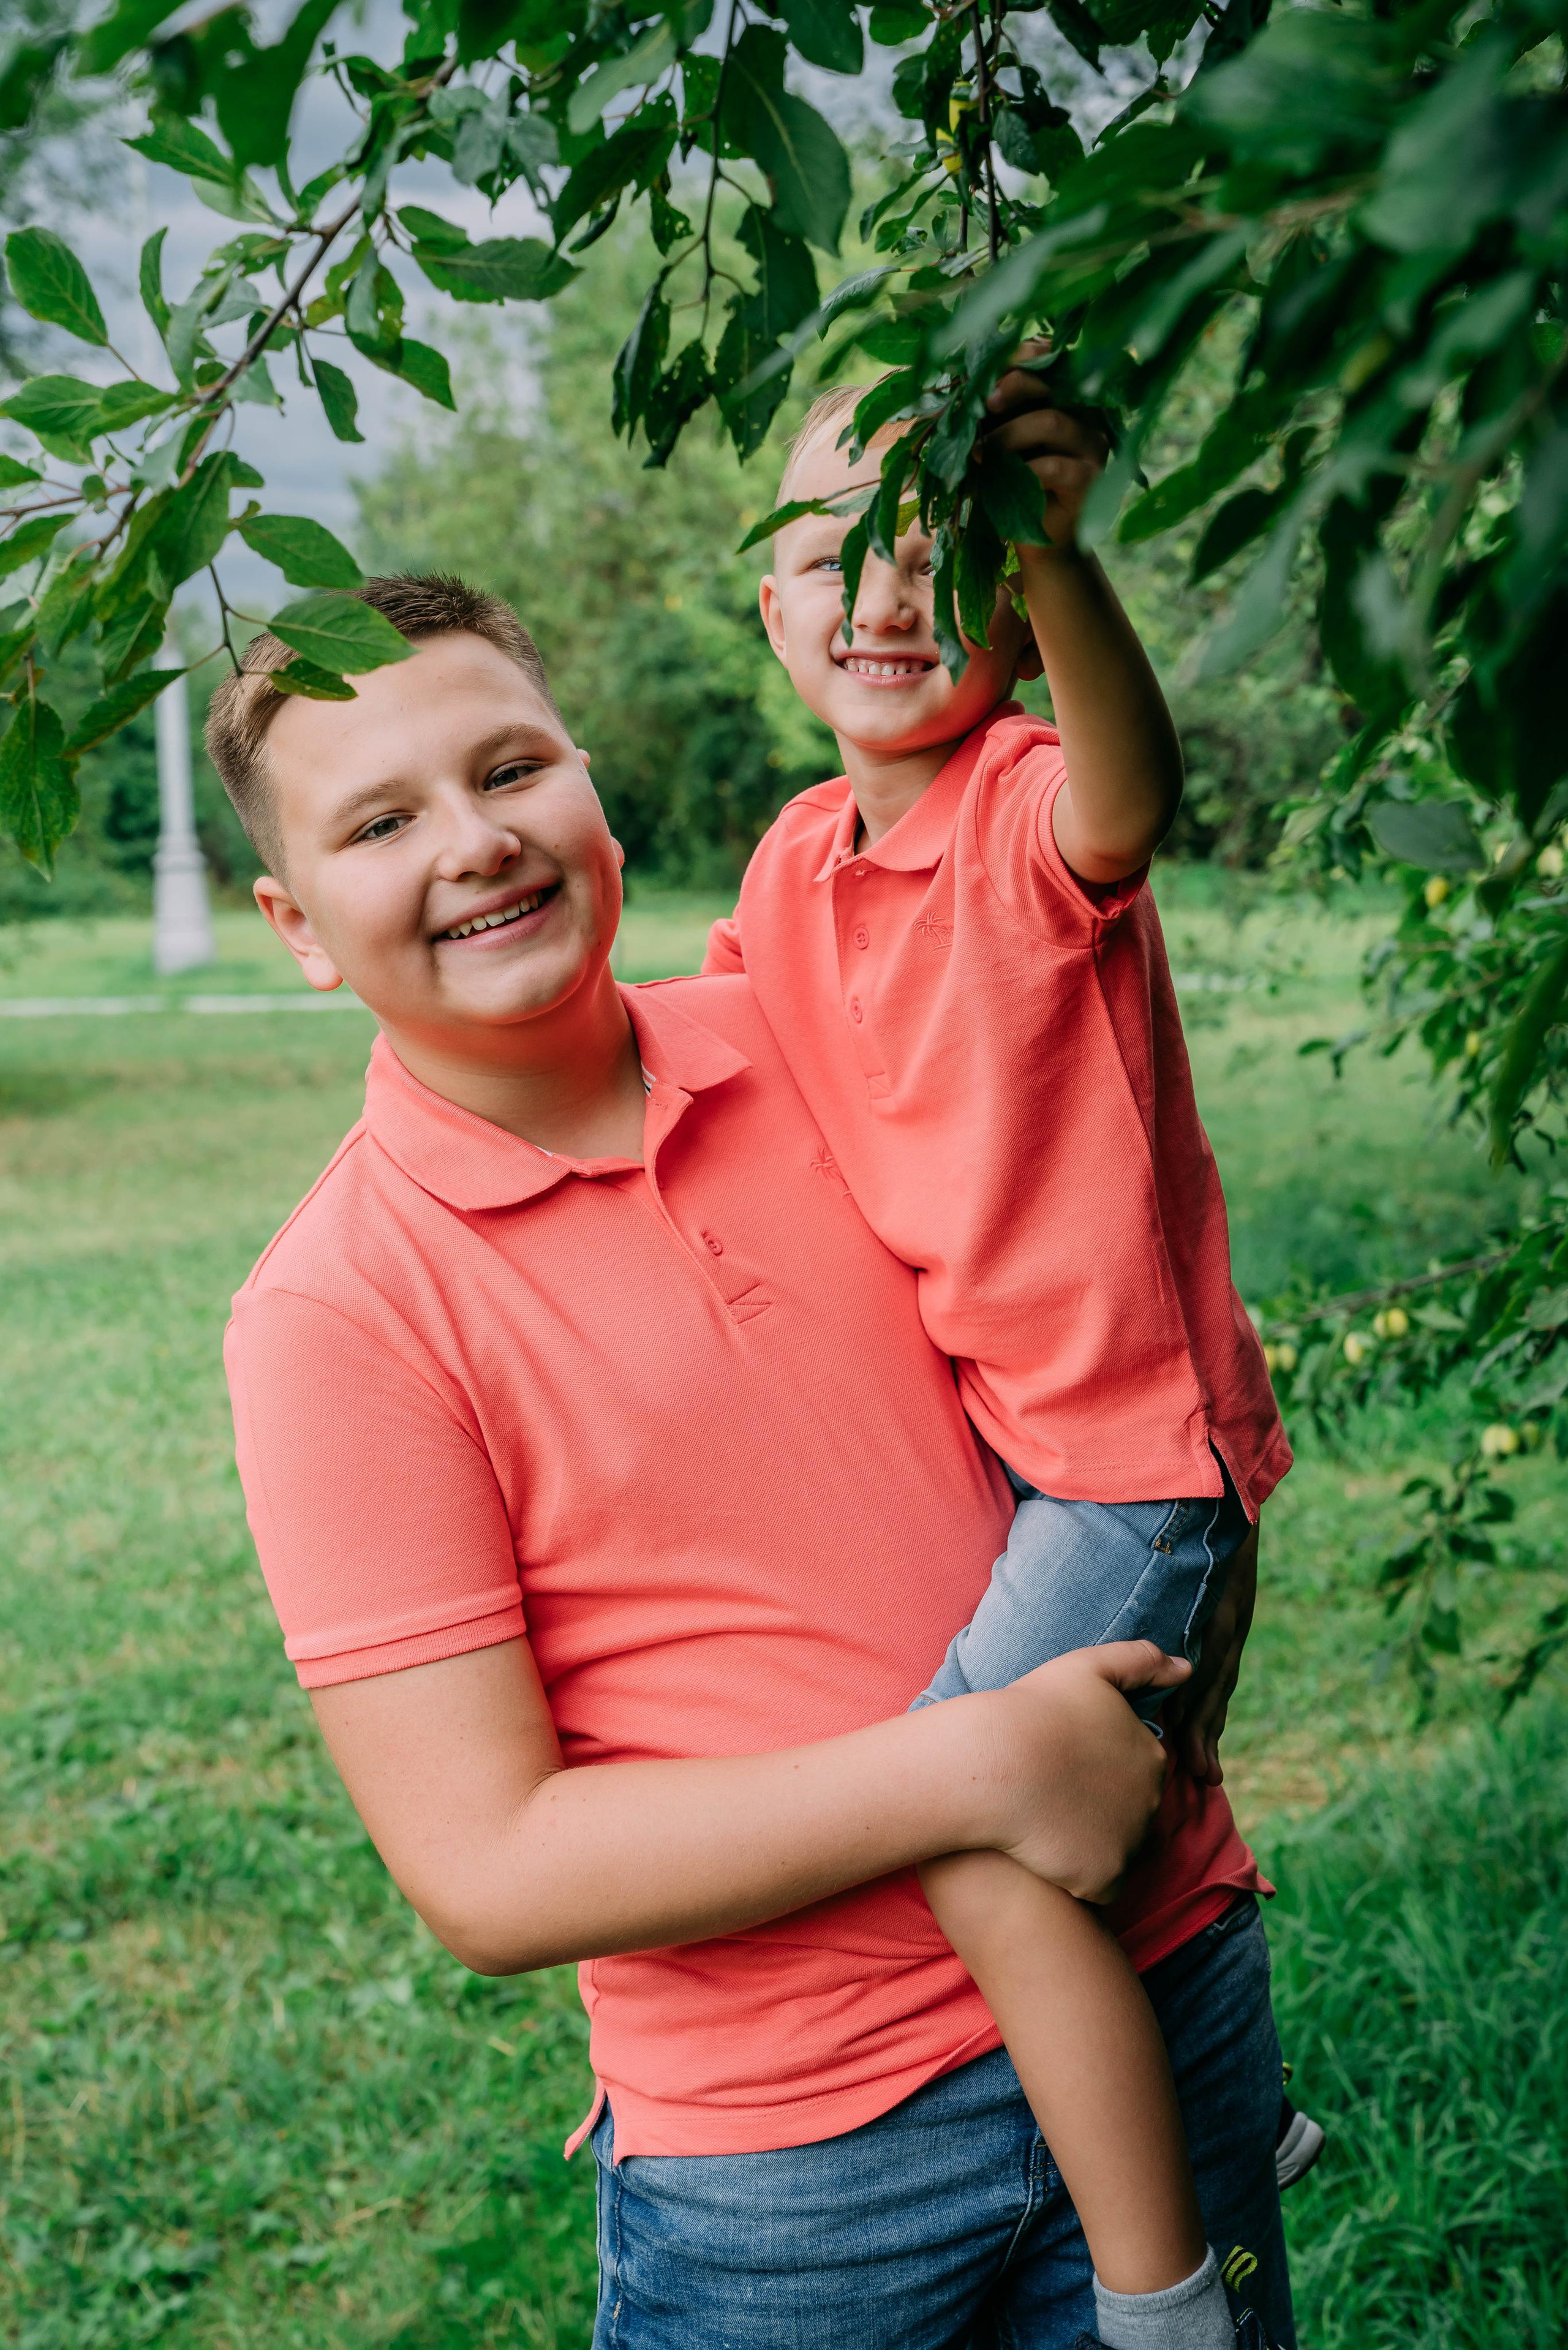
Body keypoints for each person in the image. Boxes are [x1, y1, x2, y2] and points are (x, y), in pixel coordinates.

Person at [209, 573, 1294, 2349]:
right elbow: (490, 1868)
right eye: (383, 820)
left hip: (1160, 1973)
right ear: (301, 921)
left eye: (511, 769)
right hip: (808, 2165)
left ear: (593, 782)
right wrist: (975, 1768)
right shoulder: (338, 1313)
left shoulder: (808, 1035)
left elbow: (1093, 1290)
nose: (475, 843)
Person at [703, 362, 1316, 2343]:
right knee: (1077, 1803)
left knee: (977, 1830)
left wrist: (1058, 557)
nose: (880, 595)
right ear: (770, 615)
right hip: (1005, 1446)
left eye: (932, 555)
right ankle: (1228, 2116)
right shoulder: (795, 865)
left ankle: (1161, 2291)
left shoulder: (1019, 802)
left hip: (1129, 1445)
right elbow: (701, 1054)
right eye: (826, 561)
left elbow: (1129, 798)